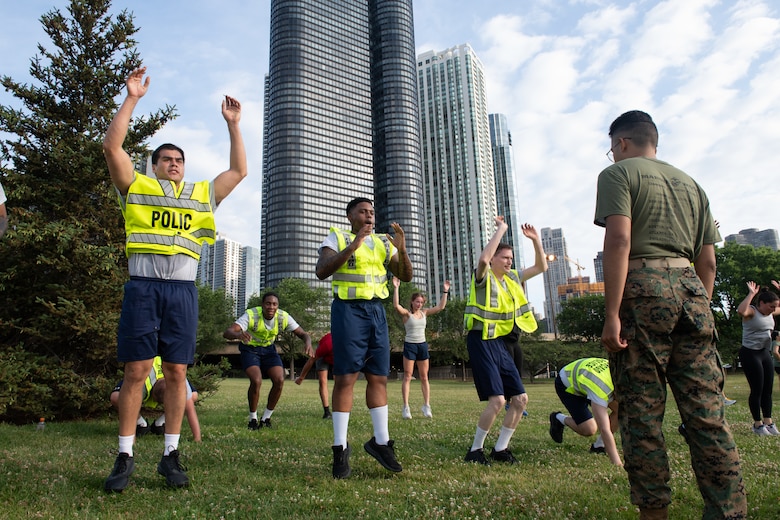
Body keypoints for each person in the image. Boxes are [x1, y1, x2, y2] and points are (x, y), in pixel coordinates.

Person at [102, 66, 247, 492]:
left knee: (179, 373)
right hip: (143, 287)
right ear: (153, 164)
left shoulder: (200, 195)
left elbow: (237, 172)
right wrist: (131, 98)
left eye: (179, 160)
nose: (174, 164)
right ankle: (125, 455)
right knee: (136, 371)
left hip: (182, 291)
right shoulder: (136, 186)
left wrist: (234, 127)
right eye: (167, 159)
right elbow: (112, 148)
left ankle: (170, 455)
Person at [596, 110, 745, 519]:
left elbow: (620, 238)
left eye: (612, 148)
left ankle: (655, 513)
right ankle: (729, 511)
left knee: (642, 414)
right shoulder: (693, 185)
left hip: (643, 291)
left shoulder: (619, 175)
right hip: (693, 292)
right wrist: (699, 307)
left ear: (622, 143)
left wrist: (612, 313)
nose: (612, 155)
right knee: (707, 415)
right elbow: (709, 262)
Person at [315, 197, 413, 479]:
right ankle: (340, 447)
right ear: (350, 216)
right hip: (348, 311)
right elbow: (322, 271)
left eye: (372, 211)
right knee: (346, 377)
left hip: (376, 312)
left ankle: (381, 442)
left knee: (378, 377)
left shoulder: (384, 242)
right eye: (363, 211)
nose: (370, 215)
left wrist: (402, 249)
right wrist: (353, 245)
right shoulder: (338, 235)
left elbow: (404, 276)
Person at [463, 217, 546, 466]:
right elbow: (483, 260)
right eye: (505, 258)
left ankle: (501, 449)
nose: (509, 262)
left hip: (499, 342)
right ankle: (475, 450)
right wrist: (501, 229)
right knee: (498, 400)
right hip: (480, 340)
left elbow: (541, 267)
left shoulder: (511, 279)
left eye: (511, 258)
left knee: (519, 400)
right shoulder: (483, 277)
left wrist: (536, 242)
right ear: (495, 258)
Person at [224, 292, 313, 429]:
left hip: (269, 350)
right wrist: (239, 334)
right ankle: (252, 419)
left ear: (278, 306)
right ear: (262, 305)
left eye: (274, 304)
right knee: (256, 380)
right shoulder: (251, 314)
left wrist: (308, 343)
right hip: (250, 350)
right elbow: (228, 332)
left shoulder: (283, 317)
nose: (271, 307)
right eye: (268, 303)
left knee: (279, 380)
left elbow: (303, 334)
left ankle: (266, 418)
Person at [392, 276, 449, 419]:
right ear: (412, 302)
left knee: (424, 377)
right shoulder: (407, 314)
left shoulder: (425, 313)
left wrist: (445, 292)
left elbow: (441, 307)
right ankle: (406, 407)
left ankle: (426, 406)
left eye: (421, 302)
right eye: (417, 301)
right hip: (410, 345)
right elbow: (396, 306)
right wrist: (396, 288)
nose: (419, 304)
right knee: (407, 376)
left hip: (422, 346)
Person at [548, 357, 621, 466]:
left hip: (586, 377)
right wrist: (618, 464)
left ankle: (599, 446)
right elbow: (604, 429)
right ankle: (559, 418)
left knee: (622, 411)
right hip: (567, 383)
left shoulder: (620, 373)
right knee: (589, 429)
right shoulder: (601, 389)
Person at [110, 356, 201, 442]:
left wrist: (197, 438)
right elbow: (128, 400)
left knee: (192, 396)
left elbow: (190, 407)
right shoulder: (143, 382)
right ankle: (140, 424)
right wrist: (130, 439)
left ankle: (160, 423)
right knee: (116, 397)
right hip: (142, 372)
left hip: (172, 377)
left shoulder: (179, 382)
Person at [736, 281, 780, 436]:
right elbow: (741, 311)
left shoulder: (770, 313)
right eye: (771, 306)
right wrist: (751, 294)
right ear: (762, 303)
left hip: (764, 353)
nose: (773, 310)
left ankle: (768, 422)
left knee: (768, 390)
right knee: (757, 390)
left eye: (775, 307)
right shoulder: (752, 312)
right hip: (750, 354)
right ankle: (757, 425)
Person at [295, 332, 334, 419]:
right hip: (323, 357)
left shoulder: (349, 346)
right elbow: (311, 360)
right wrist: (301, 378)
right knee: (323, 382)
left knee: (340, 384)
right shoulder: (328, 345)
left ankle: (339, 410)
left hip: (337, 359)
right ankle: (327, 412)